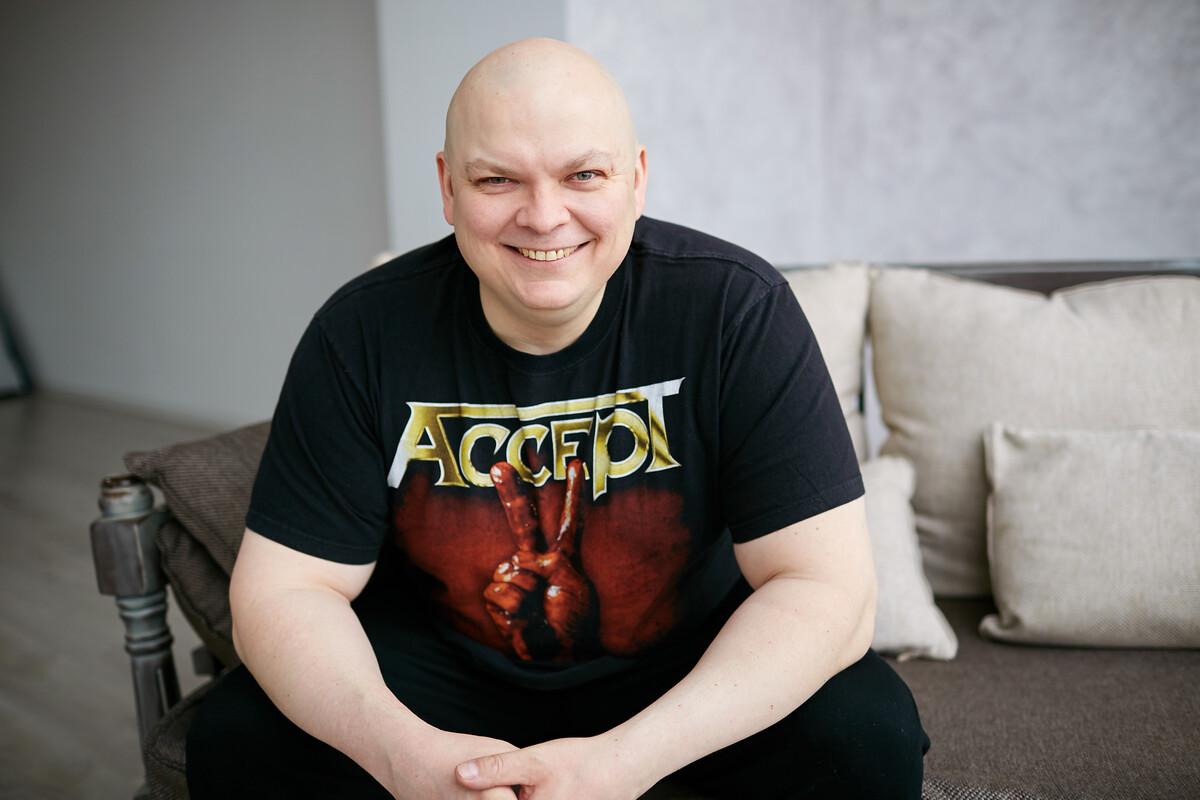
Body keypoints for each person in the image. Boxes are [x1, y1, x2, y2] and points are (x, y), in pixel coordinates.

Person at [187, 37, 928, 799]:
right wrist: (405, 759)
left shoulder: (734, 310)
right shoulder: (361, 332)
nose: (544, 217)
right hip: (440, 677)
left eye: (584, 175)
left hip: (682, 672)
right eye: (497, 179)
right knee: (236, 738)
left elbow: (828, 588)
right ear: (447, 187)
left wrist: (623, 763)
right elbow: (285, 592)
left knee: (866, 731)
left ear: (636, 178)